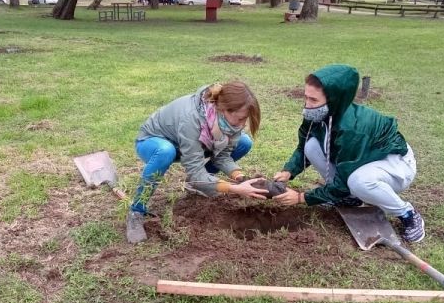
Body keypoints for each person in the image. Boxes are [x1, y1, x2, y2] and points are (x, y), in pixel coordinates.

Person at [272, 64, 425, 243]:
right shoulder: (317, 114)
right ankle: (348, 198)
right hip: (363, 160)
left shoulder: (353, 129)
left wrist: (301, 197)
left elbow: (343, 182)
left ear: (334, 100)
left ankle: (407, 214)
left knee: (358, 181)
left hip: (395, 163)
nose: (307, 105)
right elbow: (303, 144)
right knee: (311, 146)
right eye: (306, 97)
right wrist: (289, 170)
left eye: (313, 100)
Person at [126, 82, 269, 243]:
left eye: (246, 119)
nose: (243, 124)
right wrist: (234, 189)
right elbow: (194, 171)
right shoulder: (191, 119)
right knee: (166, 152)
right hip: (154, 142)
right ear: (224, 110)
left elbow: (222, 156)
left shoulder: (229, 124)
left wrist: (240, 178)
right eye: (241, 119)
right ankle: (136, 211)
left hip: (191, 144)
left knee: (244, 142)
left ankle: (199, 185)